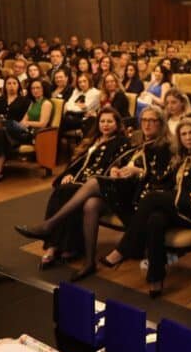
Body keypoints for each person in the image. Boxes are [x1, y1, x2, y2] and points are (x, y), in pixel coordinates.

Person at [14, 105, 175, 282]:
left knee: (92, 182)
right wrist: (116, 170)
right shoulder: (139, 142)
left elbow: (161, 179)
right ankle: (89, 262)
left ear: (161, 123)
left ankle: (49, 226)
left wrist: (138, 172)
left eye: (152, 121)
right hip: (123, 187)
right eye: (144, 120)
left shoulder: (163, 146)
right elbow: (122, 164)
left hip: (137, 198)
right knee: (90, 204)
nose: (147, 124)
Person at [100, 118, 191, 297]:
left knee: (152, 198)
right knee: (154, 220)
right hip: (176, 206)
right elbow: (164, 180)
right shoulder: (180, 156)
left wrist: (166, 197)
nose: (188, 138)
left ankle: (124, 249)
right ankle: (155, 278)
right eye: (184, 134)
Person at [37, 107, 131, 270]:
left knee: (67, 192)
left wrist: (116, 170)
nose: (105, 125)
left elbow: (120, 165)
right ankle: (57, 246)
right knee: (62, 190)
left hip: (98, 186)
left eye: (110, 121)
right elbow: (76, 163)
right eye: (102, 121)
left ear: (117, 124)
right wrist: (69, 174)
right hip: (78, 181)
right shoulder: (92, 140)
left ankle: (56, 243)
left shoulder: (122, 142)